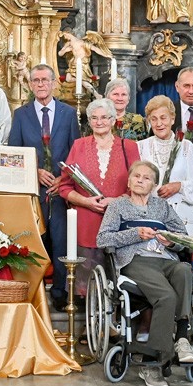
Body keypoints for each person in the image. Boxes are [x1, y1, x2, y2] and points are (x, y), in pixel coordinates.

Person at [96, 161, 193, 386]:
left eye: (147, 178)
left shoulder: (162, 206)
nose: (141, 180)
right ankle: (152, 363)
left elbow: (183, 237)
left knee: (184, 270)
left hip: (166, 259)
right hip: (136, 260)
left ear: (154, 185)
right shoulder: (118, 206)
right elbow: (103, 239)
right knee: (166, 296)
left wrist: (171, 242)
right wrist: (135, 234)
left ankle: (182, 338)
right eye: (137, 176)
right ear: (129, 181)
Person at [8, 64, 80, 309]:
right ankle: (31, 292)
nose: (40, 84)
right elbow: (14, 154)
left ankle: (60, 292)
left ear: (53, 83)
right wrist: (34, 172)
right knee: (32, 241)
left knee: (61, 241)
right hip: (33, 189)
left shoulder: (69, 113)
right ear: (30, 85)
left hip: (61, 190)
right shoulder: (21, 114)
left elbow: (75, 151)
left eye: (44, 80)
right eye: (36, 80)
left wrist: (64, 178)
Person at [58, 98, 141, 289]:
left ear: (113, 120)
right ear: (89, 121)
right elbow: (65, 187)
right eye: (94, 118)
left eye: (104, 117)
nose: (99, 122)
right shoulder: (78, 145)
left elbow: (138, 186)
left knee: (117, 286)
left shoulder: (129, 147)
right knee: (87, 287)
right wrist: (86, 202)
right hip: (86, 225)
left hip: (119, 226)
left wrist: (115, 201)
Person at [137, 96, 193, 238]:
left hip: (181, 220)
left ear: (172, 119)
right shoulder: (140, 147)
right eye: (154, 119)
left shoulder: (187, 147)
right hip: (148, 221)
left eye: (163, 118)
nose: (159, 123)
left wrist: (179, 186)